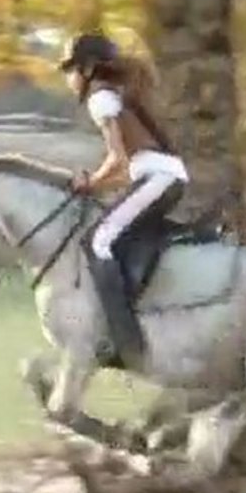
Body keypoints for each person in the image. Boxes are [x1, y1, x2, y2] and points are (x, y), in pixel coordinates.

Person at [59, 32, 189, 368]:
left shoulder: (100, 99)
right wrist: (96, 184)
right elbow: (123, 169)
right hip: (164, 176)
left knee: (97, 241)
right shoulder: (117, 93)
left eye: (70, 69)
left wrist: (89, 183)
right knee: (120, 239)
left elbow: (116, 160)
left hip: (157, 178)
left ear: (87, 69)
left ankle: (124, 338)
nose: (68, 79)